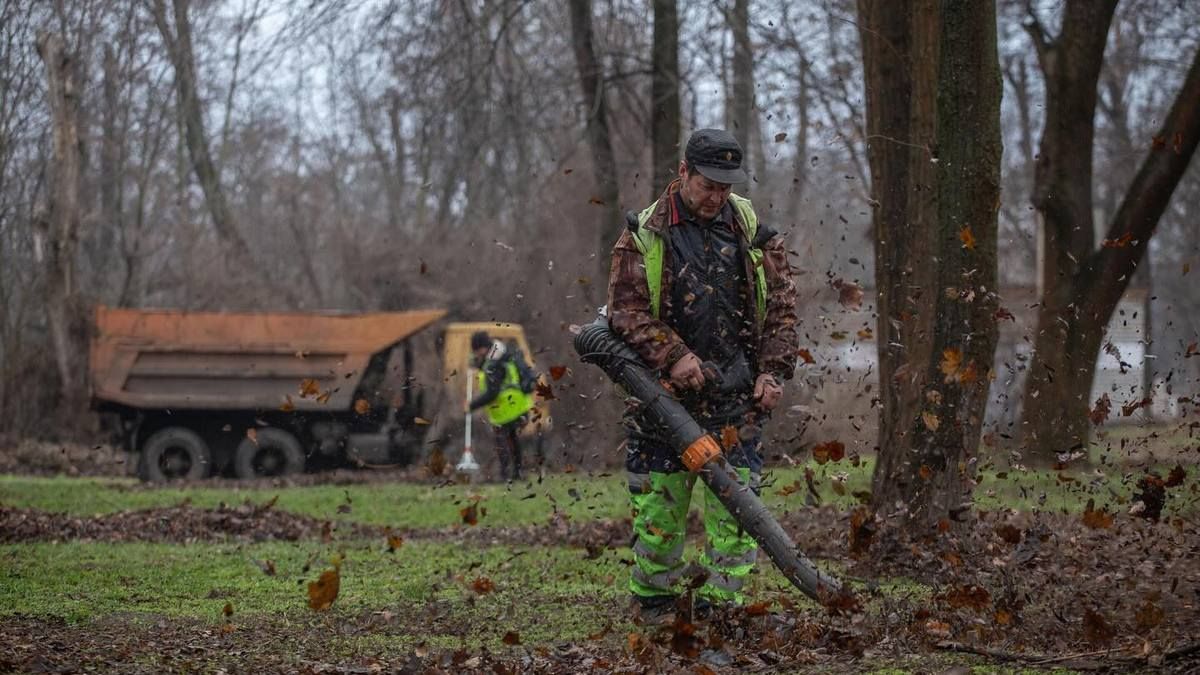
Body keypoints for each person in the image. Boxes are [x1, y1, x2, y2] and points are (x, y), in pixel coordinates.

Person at [606, 128, 799, 619]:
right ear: (683, 173)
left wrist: (773, 372)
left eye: (725, 187)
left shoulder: (753, 230)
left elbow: (782, 307)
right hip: (663, 401)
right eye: (708, 185)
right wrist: (672, 354)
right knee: (658, 513)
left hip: (737, 401)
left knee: (736, 517)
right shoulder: (644, 232)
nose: (717, 196)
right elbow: (623, 313)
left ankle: (722, 611)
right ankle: (654, 606)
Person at [467, 330, 541, 482]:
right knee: (513, 439)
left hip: (506, 408)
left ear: (481, 348)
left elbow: (492, 393)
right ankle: (517, 473)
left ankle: (504, 475)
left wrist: (471, 405)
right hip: (519, 405)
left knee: (502, 441)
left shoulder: (493, 363)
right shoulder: (504, 353)